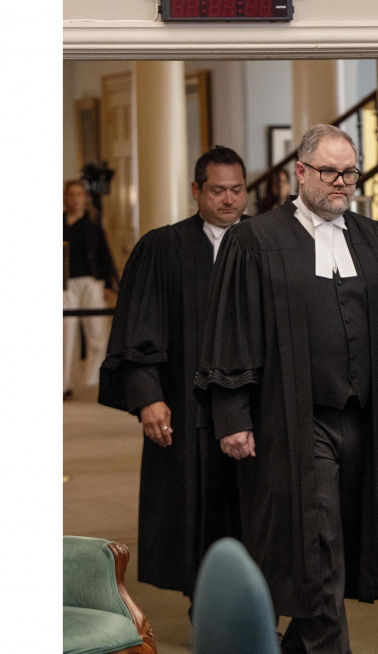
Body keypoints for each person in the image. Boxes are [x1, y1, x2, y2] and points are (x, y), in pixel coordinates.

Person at [196, 124, 378, 654]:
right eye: (330, 173)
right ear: (301, 173)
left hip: (363, 421)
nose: (342, 183)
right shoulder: (257, 240)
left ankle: (297, 644)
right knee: (316, 540)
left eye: (351, 173)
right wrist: (232, 415)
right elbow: (231, 331)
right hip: (291, 422)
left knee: (344, 538)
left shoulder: (375, 240)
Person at [98, 146, 249, 601]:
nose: (228, 200)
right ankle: (204, 603)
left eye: (237, 190)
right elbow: (137, 329)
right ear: (196, 191)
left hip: (255, 407)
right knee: (194, 506)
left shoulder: (266, 243)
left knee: (254, 507)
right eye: (218, 190)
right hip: (185, 404)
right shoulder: (164, 247)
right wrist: (147, 395)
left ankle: (255, 604)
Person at [63, 179, 118, 397]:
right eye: (71, 194)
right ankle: (62, 383)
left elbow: (104, 254)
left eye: (79, 194)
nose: (75, 198)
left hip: (92, 281)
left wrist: (108, 284)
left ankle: (95, 378)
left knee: (97, 331)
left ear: (84, 199)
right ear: (66, 198)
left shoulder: (92, 225)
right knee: (65, 333)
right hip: (65, 284)